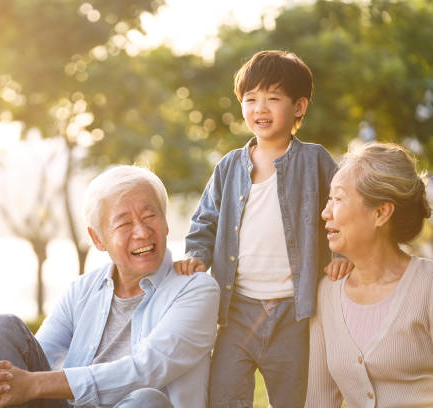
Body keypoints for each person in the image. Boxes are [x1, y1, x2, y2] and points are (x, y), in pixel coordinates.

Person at [0, 165, 220, 408]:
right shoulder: (82, 290)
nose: (141, 232)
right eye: (125, 223)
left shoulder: (196, 290)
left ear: (165, 223)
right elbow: (36, 357)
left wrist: (32, 385)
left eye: (150, 216)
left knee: (147, 399)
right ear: (98, 238)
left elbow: (146, 369)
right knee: (1, 326)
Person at [174, 50, 352, 407]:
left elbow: (341, 211)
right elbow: (205, 220)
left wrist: (341, 254)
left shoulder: (315, 160)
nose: (261, 108)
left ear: (299, 107)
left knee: (294, 398)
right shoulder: (228, 167)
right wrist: (196, 254)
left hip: (295, 310)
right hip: (236, 309)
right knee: (223, 395)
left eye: (273, 98)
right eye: (251, 99)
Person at [306, 142, 433, 407]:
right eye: (329, 199)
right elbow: (319, 401)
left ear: (381, 213)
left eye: (338, 199)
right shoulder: (327, 293)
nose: (325, 212)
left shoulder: (427, 286)